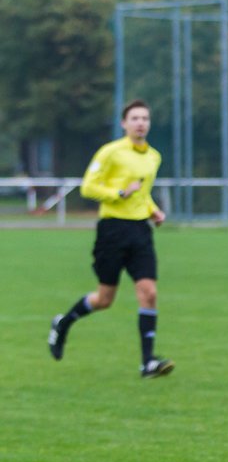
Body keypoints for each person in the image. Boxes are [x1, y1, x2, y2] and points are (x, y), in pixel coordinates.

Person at [48, 99, 173, 377]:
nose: (141, 123)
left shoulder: (154, 156)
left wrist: (154, 211)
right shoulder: (110, 152)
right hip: (112, 230)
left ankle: (147, 362)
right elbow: (88, 187)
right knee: (105, 298)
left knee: (149, 292)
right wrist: (118, 194)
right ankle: (64, 323)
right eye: (135, 118)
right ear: (124, 123)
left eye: (145, 118)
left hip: (140, 231)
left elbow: (142, 193)